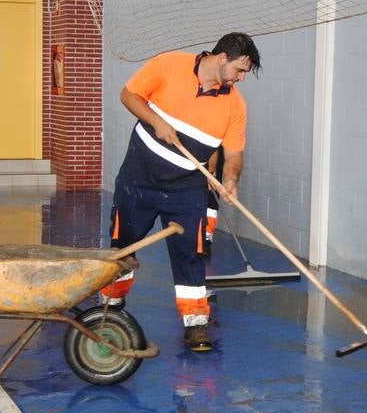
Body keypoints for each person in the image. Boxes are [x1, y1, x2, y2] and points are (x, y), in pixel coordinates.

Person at [99, 32, 260, 352]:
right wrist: (156, 121)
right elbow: (129, 96)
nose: (240, 79)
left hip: (187, 189)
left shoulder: (234, 104)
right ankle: (110, 306)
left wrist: (229, 180)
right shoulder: (169, 65)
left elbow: (234, 154)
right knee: (123, 247)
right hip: (138, 181)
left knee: (191, 254)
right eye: (239, 71)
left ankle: (196, 323)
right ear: (221, 58)